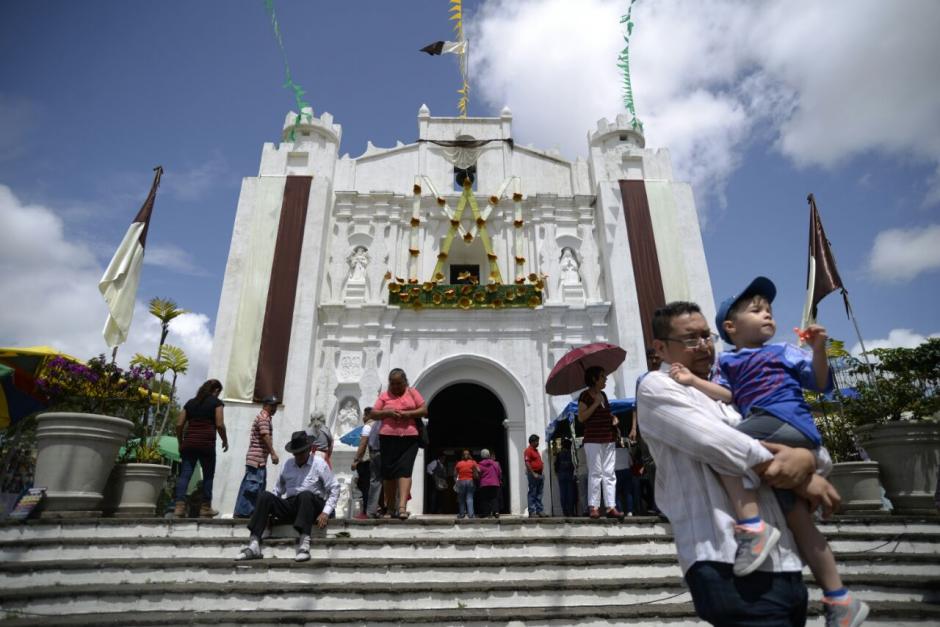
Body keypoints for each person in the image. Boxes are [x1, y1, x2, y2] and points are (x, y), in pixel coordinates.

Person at [669, 278, 867, 625]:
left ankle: (752, 525)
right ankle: (839, 598)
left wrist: (819, 350)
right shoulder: (728, 363)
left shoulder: (784, 351)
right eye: (757, 310)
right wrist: (694, 381)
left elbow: (820, 383)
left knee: (725, 447)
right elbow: (727, 395)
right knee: (800, 522)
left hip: (784, 421)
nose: (767, 315)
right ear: (730, 327)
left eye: (769, 311)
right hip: (771, 429)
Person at [235, 431, 339, 562]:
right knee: (265, 496)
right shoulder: (287, 465)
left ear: (308, 450)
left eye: (301, 452)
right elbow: (277, 490)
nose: (298, 456)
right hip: (292, 504)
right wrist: (269, 511)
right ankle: (254, 544)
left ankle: (304, 545)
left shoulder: (319, 463)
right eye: (296, 453)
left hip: (312, 505)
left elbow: (334, 487)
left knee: (305, 495)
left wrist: (326, 512)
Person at [371, 368, 427, 520]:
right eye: (393, 384)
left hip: (409, 438)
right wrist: (388, 413)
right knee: (388, 473)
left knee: (405, 471)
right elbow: (373, 413)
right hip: (388, 438)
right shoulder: (384, 396)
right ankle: (390, 507)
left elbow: (424, 410)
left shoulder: (412, 393)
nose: (395, 387)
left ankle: (402, 507)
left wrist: (408, 414)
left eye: (399, 383)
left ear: (405, 382)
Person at [174, 379, 228, 518]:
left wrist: (180, 442)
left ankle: (179, 507)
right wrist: (225, 440)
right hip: (206, 445)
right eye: (219, 392)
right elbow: (220, 424)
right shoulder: (217, 403)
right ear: (216, 390)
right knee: (208, 475)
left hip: (189, 444)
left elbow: (179, 424)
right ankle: (205, 508)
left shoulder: (190, 403)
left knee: (185, 475)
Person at [577, 367, 625, 519]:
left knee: (609, 473)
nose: (605, 379)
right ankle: (594, 506)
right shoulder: (585, 396)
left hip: (608, 437)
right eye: (603, 377)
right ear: (594, 379)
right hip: (593, 439)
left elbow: (605, 413)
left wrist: (612, 418)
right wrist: (595, 404)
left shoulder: (603, 395)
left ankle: (611, 506)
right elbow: (581, 417)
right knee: (596, 473)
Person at [233, 395, 280, 518]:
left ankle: (247, 513)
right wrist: (273, 453)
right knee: (252, 487)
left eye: (275, 406)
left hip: (258, 460)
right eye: (273, 406)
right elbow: (265, 436)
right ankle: (244, 513)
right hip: (256, 460)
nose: (275, 409)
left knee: (255, 487)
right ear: (266, 405)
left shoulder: (265, 418)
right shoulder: (264, 418)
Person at [351, 407, 374, 519]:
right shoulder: (378, 426)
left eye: (364, 415)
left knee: (364, 486)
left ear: (369, 415)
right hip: (376, 460)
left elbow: (363, 444)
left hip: (366, 462)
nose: (363, 418)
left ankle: (365, 511)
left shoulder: (367, 427)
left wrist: (356, 460)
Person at [524, 434, 547, 517]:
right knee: (532, 493)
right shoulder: (528, 450)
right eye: (537, 441)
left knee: (539, 493)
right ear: (532, 442)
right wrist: (533, 473)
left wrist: (542, 472)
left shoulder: (536, 451)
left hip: (540, 474)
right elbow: (527, 462)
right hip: (533, 474)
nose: (538, 443)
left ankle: (539, 510)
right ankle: (532, 511)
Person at [553, 437, 578, 517]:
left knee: (563, 494)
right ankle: (571, 511)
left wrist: (558, 472)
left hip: (561, 475)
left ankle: (565, 511)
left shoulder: (559, 454)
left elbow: (556, 465)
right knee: (570, 493)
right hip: (570, 475)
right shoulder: (571, 454)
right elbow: (575, 464)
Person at [477, 448, 502, 518]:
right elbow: (499, 473)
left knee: (485, 499)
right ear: (488, 455)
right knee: (494, 498)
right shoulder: (496, 463)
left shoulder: (479, 465)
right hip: (495, 483)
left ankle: (486, 512)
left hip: (484, 484)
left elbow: (479, 474)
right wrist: (499, 480)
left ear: (481, 456)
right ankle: (496, 512)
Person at [454, 448, 479, 519]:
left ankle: (462, 514)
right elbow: (479, 470)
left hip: (461, 481)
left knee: (461, 499)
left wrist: (456, 482)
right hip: (470, 481)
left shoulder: (459, 463)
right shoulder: (473, 462)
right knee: (469, 498)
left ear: (462, 456)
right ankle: (471, 515)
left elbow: (455, 474)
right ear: (469, 455)